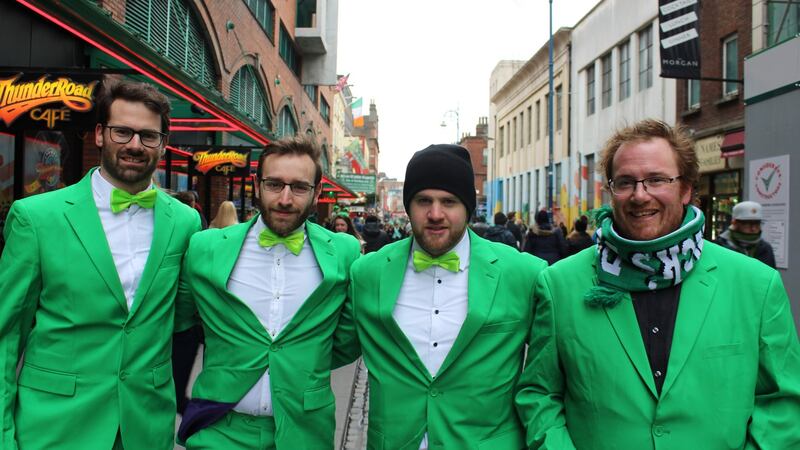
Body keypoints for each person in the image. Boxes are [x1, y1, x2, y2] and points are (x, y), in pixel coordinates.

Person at [516, 119, 800, 449]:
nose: (640, 195)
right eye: (625, 182)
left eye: (656, 180)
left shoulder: (756, 284)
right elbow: (539, 395)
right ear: (611, 192)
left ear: (687, 189)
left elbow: (783, 402)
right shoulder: (560, 284)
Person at [0, 79, 201, 450]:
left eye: (148, 135)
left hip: (145, 427)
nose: (135, 145)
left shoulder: (185, 223)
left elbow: (185, 314)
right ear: (99, 134)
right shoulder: (36, 217)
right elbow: (6, 334)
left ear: (163, 144)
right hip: (55, 429)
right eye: (122, 131)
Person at [337, 144, 547, 448]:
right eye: (423, 201)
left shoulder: (524, 273)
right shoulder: (367, 273)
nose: (435, 214)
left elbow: (548, 380)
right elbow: (328, 348)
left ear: (468, 207)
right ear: (408, 206)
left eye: (449, 201)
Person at [175, 136, 361, 449]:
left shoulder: (344, 252)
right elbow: (183, 320)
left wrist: (303, 359)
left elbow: (348, 337)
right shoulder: (205, 248)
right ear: (257, 185)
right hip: (220, 427)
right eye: (274, 184)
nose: (285, 198)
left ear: (316, 193)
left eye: (299, 187)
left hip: (305, 430)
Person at [715, 200, 776, 268]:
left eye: (757, 223)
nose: (753, 229)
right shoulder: (720, 247)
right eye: (748, 224)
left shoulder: (765, 248)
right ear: (735, 223)